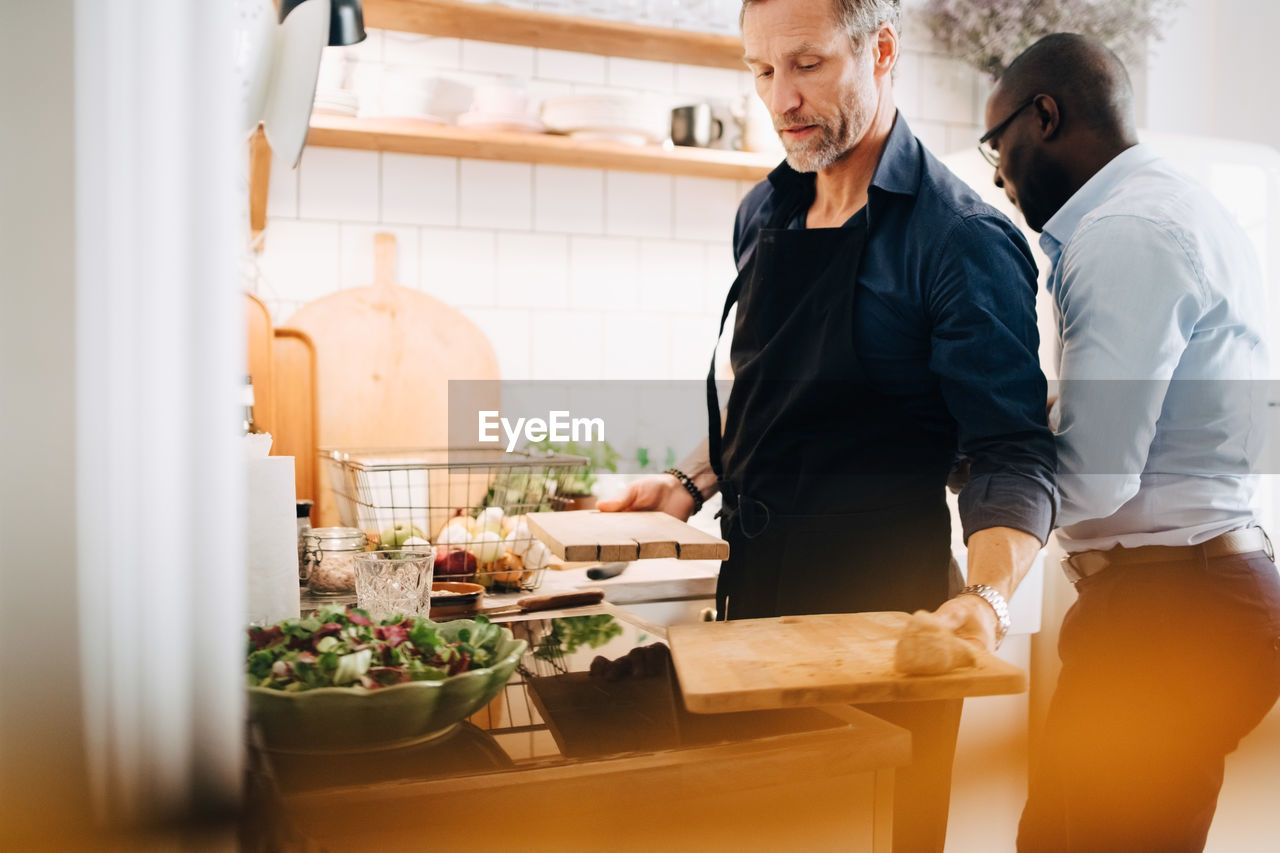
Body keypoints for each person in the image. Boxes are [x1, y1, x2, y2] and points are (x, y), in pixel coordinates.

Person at [599, 0, 1058, 848]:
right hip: (751, 625)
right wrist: (686, 483)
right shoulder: (764, 214)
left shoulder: (957, 239)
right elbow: (773, 395)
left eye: (807, 65)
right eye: (762, 71)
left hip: (885, 644)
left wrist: (988, 600)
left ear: (881, 51)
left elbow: (1013, 453)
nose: (782, 100)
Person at [966, 33, 1280, 852]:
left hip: (1173, 615)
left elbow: (1097, 474)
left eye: (994, 144)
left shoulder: (1125, 231)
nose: (995, 175)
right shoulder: (1163, 208)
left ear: (1044, 117)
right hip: (1178, 601)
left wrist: (989, 481)